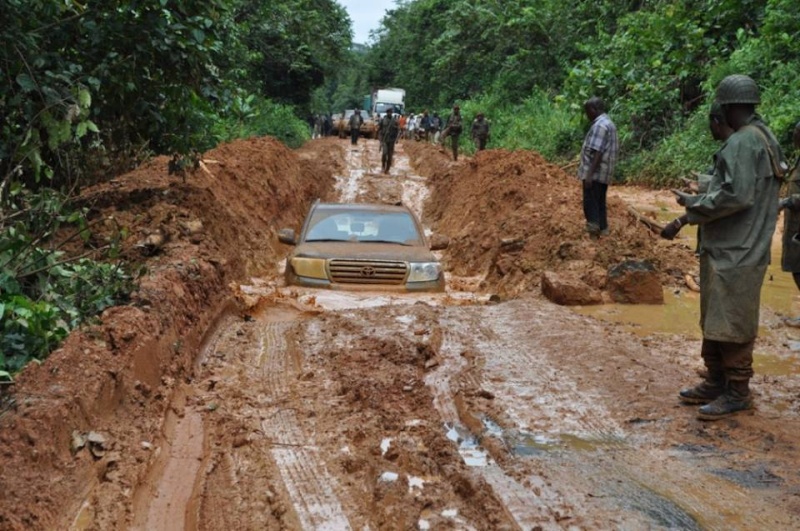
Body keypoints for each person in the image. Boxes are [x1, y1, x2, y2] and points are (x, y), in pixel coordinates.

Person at [660, 74, 787, 420]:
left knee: (732, 321)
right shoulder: (762, 136)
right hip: (735, 246)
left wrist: (691, 213)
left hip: (737, 248)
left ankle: (737, 391)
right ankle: (716, 381)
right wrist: (703, 191)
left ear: (729, 108)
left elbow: (736, 194)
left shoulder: (743, 142)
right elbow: (736, 184)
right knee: (717, 316)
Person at [578, 97, 618, 238]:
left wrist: (589, 175)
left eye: (587, 111)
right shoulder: (609, 124)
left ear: (594, 110)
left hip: (595, 173)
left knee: (591, 202)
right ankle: (604, 230)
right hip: (604, 174)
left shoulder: (599, 126)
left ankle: (593, 230)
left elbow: (598, 151)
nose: (587, 115)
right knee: (600, 202)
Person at [778, 122, 800, 326]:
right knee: (796, 267)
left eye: (797, 132)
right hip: (795, 223)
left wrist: (787, 201)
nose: (794, 135)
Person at [378, 107, 400, 174]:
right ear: (387, 112)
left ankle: (387, 169)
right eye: (388, 112)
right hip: (385, 140)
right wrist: (380, 140)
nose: (389, 113)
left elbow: (398, 131)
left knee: (390, 155)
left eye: (391, 112)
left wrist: (397, 139)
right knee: (384, 153)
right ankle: (383, 166)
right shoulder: (383, 120)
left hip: (391, 140)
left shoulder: (395, 121)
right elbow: (380, 130)